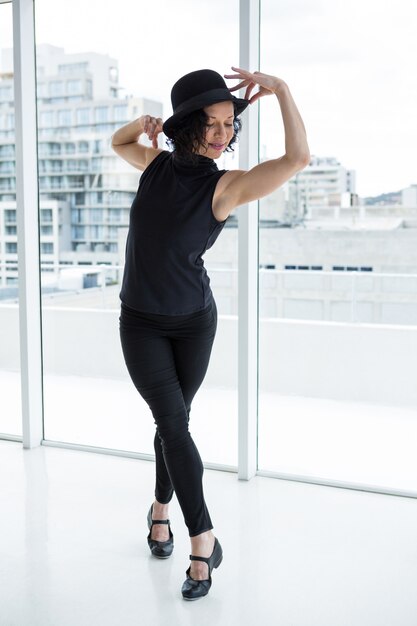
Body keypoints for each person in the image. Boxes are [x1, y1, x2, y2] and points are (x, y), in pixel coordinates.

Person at [112, 67, 310, 600]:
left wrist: (284, 91)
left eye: (230, 124)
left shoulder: (226, 185)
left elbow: (296, 160)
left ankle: (160, 512)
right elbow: (119, 140)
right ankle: (204, 542)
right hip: (141, 322)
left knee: (174, 423)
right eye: (213, 124)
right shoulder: (152, 165)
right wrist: (143, 121)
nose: (224, 134)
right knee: (172, 424)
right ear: (185, 127)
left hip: (195, 322)